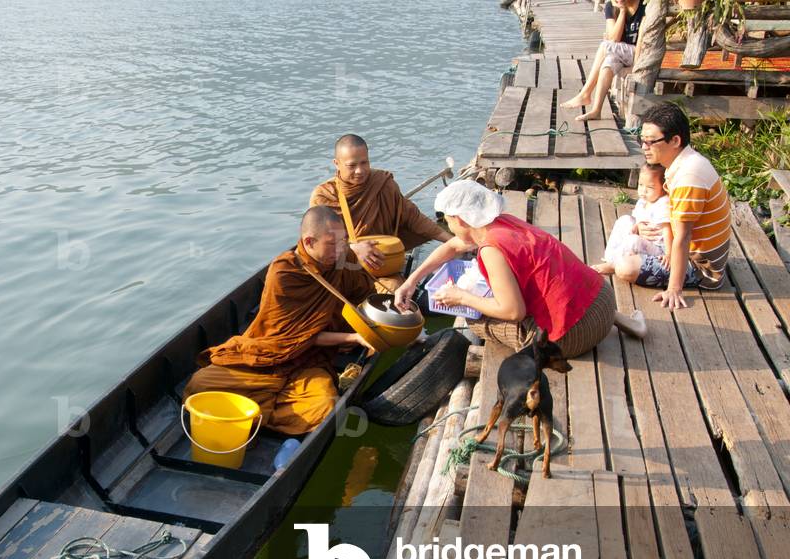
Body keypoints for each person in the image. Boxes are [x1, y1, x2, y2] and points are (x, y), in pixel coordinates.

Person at [394, 180, 645, 357]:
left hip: (577, 335)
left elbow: (514, 311)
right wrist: (413, 279)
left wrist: (461, 297)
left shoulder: (491, 249)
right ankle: (631, 324)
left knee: (476, 320)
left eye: (448, 221)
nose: (449, 227)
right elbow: (453, 246)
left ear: (460, 219)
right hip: (603, 302)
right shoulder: (501, 222)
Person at [183, 206, 374, 435]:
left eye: (344, 241)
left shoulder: (343, 260)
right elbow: (292, 337)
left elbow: (363, 296)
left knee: (323, 406)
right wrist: (352, 337)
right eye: (333, 244)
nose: (341, 248)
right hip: (268, 354)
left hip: (308, 361)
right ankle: (268, 406)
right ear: (310, 242)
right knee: (199, 384)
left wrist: (365, 325)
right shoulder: (285, 272)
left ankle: (248, 411)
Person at [610, 102, 731, 310]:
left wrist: (674, 288)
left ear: (675, 140)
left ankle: (618, 261)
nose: (644, 147)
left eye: (651, 142)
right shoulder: (682, 162)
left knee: (625, 268)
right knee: (628, 221)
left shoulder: (688, 176)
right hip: (674, 242)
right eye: (643, 141)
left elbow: (683, 238)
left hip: (700, 266)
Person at [309, 134, 448, 287]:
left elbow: (413, 218)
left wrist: (453, 242)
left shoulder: (383, 184)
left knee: (395, 291)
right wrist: (353, 249)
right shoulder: (324, 196)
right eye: (352, 165)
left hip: (383, 267)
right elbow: (318, 244)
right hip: (341, 271)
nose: (360, 171)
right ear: (337, 163)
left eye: (364, 163)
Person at [561, 0, 646, 122]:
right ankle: (596, 110)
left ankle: (585, 93)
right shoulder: (611, 6)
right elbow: (614, 38)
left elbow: (640, 42)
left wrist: (636, 66)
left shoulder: (644, 5)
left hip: (638, 54)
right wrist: (622, 11)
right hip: (619, 53)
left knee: (604, 46)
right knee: (608, 63)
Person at [594, 163, 671, 275]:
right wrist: (636, 226)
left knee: (633, 240)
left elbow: (667, 230)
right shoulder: (643, 200)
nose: (643, 191)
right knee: (625, 220)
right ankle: (610, 257)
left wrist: (668, 254)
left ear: (664, 188)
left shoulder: (663, 204)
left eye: (650, 187)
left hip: (658, 248)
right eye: (640, 185)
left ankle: (613, 265)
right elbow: (637, 218)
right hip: (644, 239)